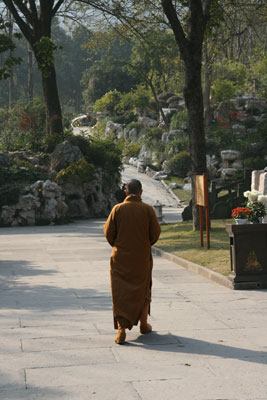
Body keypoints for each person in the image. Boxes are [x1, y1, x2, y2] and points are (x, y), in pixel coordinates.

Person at [103, 179, 161, 344]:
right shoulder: (148, 210)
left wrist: (119, 246)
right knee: (143, 289)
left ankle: (121, 330)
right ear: (141, 192)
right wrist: (143, 245)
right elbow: (155, 234)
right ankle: (143, 324)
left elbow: (109, 233)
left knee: (120, 292)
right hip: (141, 257)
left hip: (120, 258)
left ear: (126, 192)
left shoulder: (117, 209)